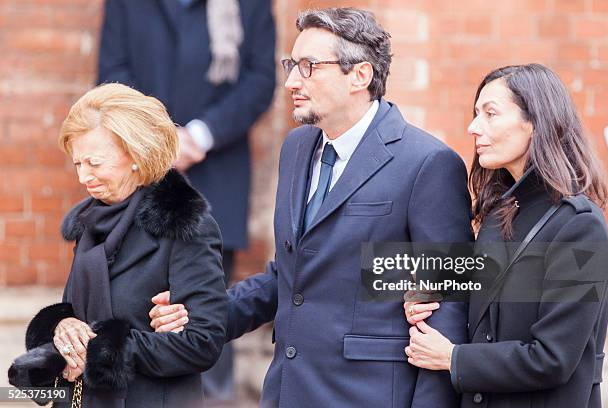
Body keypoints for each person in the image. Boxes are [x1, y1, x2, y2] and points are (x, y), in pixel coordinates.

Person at [151, 8, 473, 407]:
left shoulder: (427, 163)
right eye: (291, 65)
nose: (290, 82)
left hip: (370, 396)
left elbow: (448, 301)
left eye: (308, 67)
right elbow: (288, 278)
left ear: (360, 75)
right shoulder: (297, 147)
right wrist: (200, 311)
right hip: (288, 390)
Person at [97, 1, 276, 399]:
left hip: (216, 169)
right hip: (137, 166)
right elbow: (112, 72)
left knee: (206, 303)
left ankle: (212, 399)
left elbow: (261, 79)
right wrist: (157, 137)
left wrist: (200, 135)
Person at [8, 83, 228, 408]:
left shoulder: (184, 225)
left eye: (94, 163)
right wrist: (62, 326)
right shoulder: (91, 221)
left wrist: (100, 352)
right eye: (78, 164)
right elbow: (78, 310)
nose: (84, 177)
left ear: (135, 154)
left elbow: (202, 342)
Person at [403, 64, 608, 408]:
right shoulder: (499, 214)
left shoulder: (580, 226)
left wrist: (453, 358)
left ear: (534, 123)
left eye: (490, 114)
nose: (473, 128)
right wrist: (426, 293)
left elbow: (554, 357)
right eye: (474, 114)